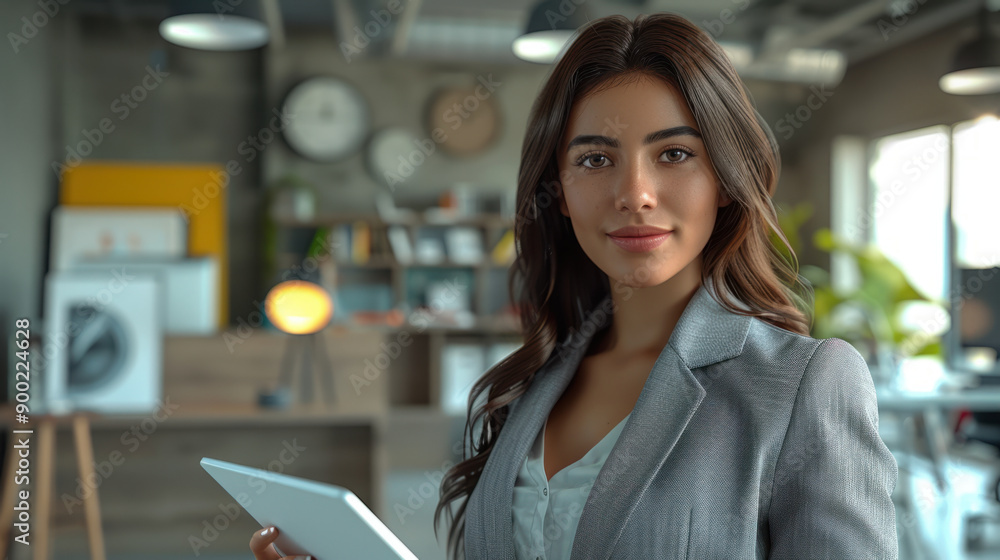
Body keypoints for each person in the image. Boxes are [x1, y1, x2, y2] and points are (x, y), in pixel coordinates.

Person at [431, 11, 899, 560]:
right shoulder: (534, 382)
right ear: (558, 191)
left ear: (725, 178)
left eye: (674, 154)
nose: (635, 194)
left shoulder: (803, 384)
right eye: (596, 159)